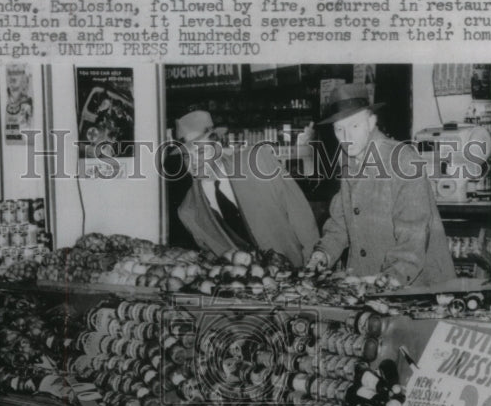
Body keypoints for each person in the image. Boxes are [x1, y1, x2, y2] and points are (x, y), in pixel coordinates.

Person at [306, 84, 457, 287]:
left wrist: (386, 281)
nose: (347, 137)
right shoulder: (349, 160)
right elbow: (341, 222)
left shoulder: (403, 161)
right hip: (366, 284)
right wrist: (322, 254)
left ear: (371, 122)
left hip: (417, 288)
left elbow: (413, 236)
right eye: (339, 129)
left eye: (354, 126)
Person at [174, 110, 319, 268]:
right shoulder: (188, 212)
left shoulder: (257, 162)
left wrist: (312, 263)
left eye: (200, 151)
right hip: (245, 287)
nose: (194, 162)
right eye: (187, 156)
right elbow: (212, 254)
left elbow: (300, 214)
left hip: (296, 271)